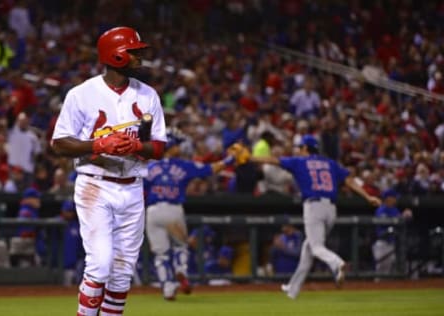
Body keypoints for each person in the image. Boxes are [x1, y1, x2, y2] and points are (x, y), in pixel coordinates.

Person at [51, 26, 167, 316]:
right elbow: (60, 144)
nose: (140, 56)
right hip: (95, 185)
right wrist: (100, 144)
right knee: (100, 265)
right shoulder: (82, 94)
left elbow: (158, 148)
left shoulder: (148, 95)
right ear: (115, 55)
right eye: (134, 51)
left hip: (133, 187)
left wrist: (135, 146)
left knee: (122, 272)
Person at [250, 135, 381, 299]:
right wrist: (368, 197)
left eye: (300, 148)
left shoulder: (299, 162)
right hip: (331, 210)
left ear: (305, 148)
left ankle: (336, 263)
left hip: (313, 206)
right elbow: (350, 181)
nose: (298, 150)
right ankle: (292, 289)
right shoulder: (330, 163)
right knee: (308, 249)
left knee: (317, 247)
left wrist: (250, 157)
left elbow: (273, 160)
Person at [144, 127, 239, 300]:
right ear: (171, 146)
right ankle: (181, 270)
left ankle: (167, 288)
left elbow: (138, 191)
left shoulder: (149, 166)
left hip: (152, 211)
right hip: (173, 210)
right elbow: (210, 169)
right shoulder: (183, 165)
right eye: (177, 145)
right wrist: (230, 159)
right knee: (180, 246)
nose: (179, 148)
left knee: (161, 254)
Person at [372, 189, 412, 277]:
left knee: (389, 270)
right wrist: (401, 216)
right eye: (393, 197)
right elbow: (385, 222)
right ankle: (376, 286)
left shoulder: (395, 210)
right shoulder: (381, 209)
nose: (395, 199)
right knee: (380, 269)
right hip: (382, 243)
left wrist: (406, 216)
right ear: (388, 198)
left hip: (392, 243)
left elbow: (400, 221)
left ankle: (385, 287)